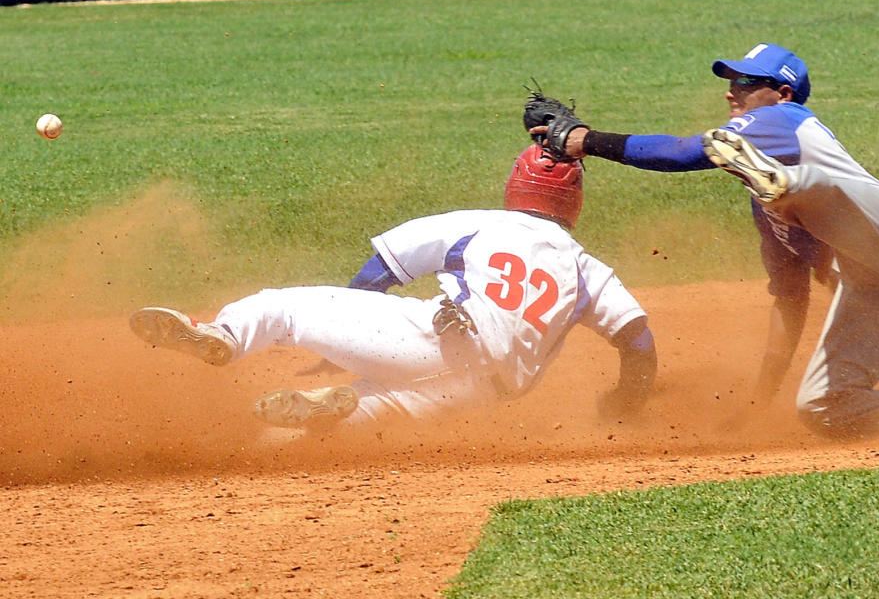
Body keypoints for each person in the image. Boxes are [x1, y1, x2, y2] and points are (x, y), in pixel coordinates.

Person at [532, 43, 879, 436]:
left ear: (783, 93)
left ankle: (792, 181)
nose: (732, 91)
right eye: (730, 81)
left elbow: (684, 154)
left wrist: (585, 139)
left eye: (747, 81)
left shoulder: (786, 120)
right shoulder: (772, 216)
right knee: (825, 410)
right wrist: (760, 402)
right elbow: (790, 301)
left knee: (810, 188)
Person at [128, 144, 657, 428]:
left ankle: (223, 335)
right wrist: (626, 404)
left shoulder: (481, 222)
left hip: (436, 337)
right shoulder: (588, 269)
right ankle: (325, 411)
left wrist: (347, 334)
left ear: (515, 186)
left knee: (282, 310)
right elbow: (637, 341)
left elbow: (382, 269)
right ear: (574, 204)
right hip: (484, 393)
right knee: (347, 422)